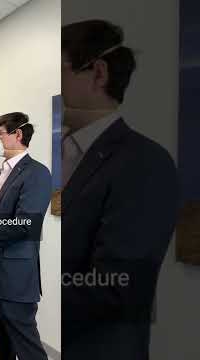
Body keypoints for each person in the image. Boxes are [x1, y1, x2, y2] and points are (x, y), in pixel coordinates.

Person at [61, 20, 178, 359]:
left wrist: (30, 289)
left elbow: (117, 286)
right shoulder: (62, 156)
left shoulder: (145, 162)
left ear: (97, 73)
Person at [0, 112, 52, 360]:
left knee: (27, 345)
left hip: (15, 276)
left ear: (18, 134)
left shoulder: (37, 173)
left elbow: (26, 223)